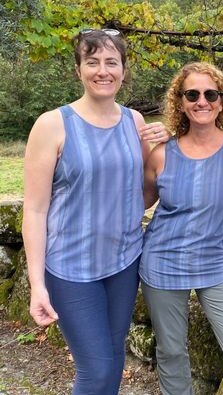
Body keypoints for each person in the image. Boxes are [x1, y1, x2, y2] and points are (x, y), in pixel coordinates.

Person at [22, 28, 170, 395]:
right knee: (97, 370)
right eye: (92, 62)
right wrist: (37, 285)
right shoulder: (52, 125)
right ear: (78, 70)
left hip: (123, 263)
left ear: (123, 69)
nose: (102, 71)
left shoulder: (135, 122)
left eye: (111, 62)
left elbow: (141, 194)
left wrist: (167, 149)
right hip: (72, 270)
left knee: (113, 364)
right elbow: (36, 211)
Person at [139, 62, 223, 395]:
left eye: (210, 94)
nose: (201, 101)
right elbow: (138, 202)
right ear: (179, 102)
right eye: (191, 94)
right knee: (171, 353)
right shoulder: (162, 154)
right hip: (162, 263)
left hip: (218, 265)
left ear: (222, 101)